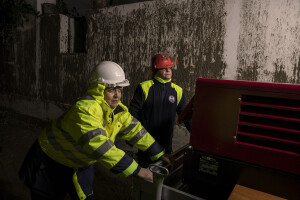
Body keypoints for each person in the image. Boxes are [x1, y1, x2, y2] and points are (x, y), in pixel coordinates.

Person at [19, 61, 172, 200]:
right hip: (52, 160)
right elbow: (101, 147)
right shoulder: (85, 110)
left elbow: (136, 131)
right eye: (111, 89)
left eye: (119, 89)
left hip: (80, 163)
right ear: (99, 89)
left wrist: (159, 152)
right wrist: (139, 171)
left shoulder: (116, 110)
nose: (117, 95)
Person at [129, 54, 192, 168]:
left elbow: (185, 115)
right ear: (156, 68)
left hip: (166, 144)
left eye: (170, 67)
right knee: (146, 174)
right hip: (145, 143)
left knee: (162, 173)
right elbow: (133, 113)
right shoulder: (144, 87)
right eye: (164, 67)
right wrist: (131, 138)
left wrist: (196, 133)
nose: (168, 70)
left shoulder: (178, 91)